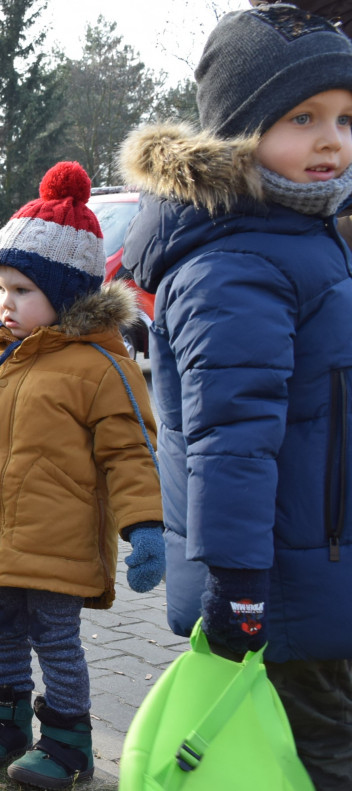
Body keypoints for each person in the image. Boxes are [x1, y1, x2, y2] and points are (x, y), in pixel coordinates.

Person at [118, 5, 352, 788]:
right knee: (321, 756)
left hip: (313, 569)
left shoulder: (299, 236)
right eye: (303, 116)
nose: (332, 139)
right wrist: (239, 588)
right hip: (276, 589)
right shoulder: (236, 264)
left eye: (347, 117)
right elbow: (233, 438)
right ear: (239, 131)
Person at [0, 162, 164, 789]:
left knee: (56, 641)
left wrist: (145, 528)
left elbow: (130, 453)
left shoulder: (97, 368)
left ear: (65, 295)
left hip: (57, 542)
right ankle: (3, 718)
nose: (5, 303)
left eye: (22, 290)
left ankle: (67, 741)